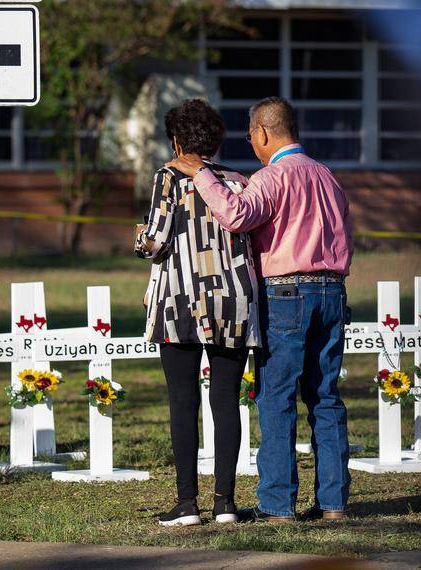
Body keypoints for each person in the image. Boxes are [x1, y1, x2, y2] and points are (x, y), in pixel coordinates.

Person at [168, 96, 353, 522]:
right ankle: (333, 503)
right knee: (325, 397)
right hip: (332, 289)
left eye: (251, 135)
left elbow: (237, 214)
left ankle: (276, 504)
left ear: (264, 133)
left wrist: (203, 177)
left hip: (286, 292)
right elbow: (346, 234)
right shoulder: (327, 176)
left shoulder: (273, 177)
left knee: (276, 397)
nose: (251, 143)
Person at [135, 99, 260, 526]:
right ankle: (225, 502)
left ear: (176, 139)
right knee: (225, 401)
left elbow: (155, 240)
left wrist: (140, 240)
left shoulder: (167, 176)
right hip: (233, 300)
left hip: (180, 301)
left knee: (182, 400)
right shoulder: (237, 180)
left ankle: (186, 502)